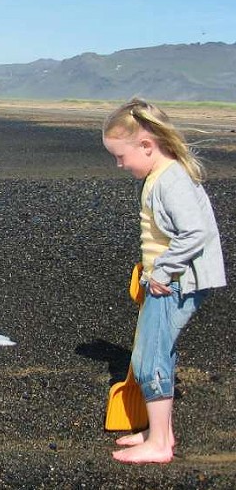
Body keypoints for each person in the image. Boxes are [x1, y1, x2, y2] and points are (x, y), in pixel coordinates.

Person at [102, 98, 226, 464]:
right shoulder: (162, 176)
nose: (119, 164)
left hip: (174, 282)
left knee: (148, 359)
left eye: (121, 156)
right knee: (158, 352)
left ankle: (158, 446)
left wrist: (162, 270)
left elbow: (195, 232)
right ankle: (161, 432)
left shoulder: (171, 180)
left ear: (146, 145)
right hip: (165, 279)